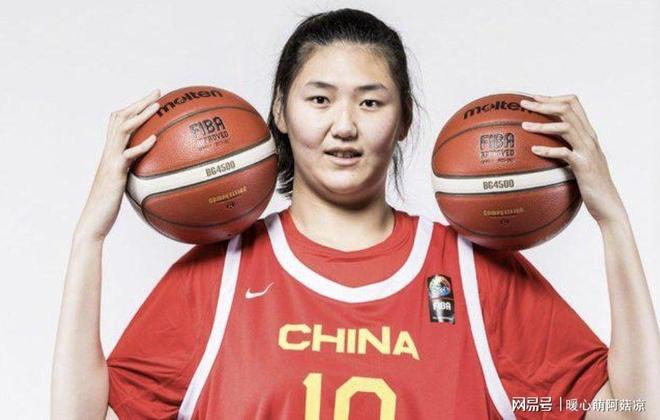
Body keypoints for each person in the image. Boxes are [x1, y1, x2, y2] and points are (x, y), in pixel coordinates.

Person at [51, 8, 659, 420]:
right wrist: (88, 239)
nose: (343, 126)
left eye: (370, 102)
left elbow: (636, 409)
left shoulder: (476, 278)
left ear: (405, 119)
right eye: (319, 99)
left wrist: (612, 219)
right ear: (280, 112)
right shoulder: (219, 275)